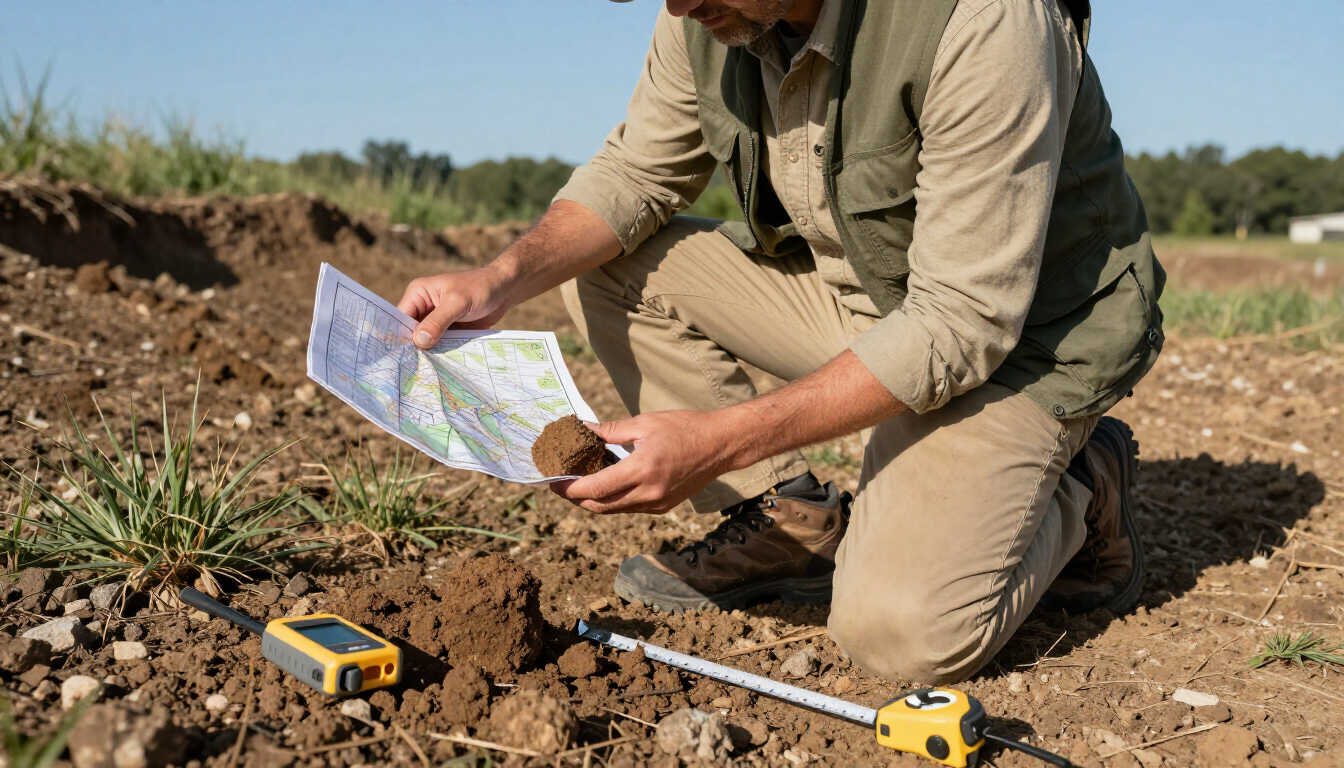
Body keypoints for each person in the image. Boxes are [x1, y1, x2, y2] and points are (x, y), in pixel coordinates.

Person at [397, 0, 1164, 685]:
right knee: (610, 267)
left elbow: (963, 322)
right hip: (873, 300)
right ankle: (790, 524)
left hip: (1022, 342)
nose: (678, 5)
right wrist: (497, 278)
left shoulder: (984, 17)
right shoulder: (707, 13)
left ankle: (1082, 485)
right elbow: (635, 172)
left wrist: (722, 440)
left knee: (898, 635)